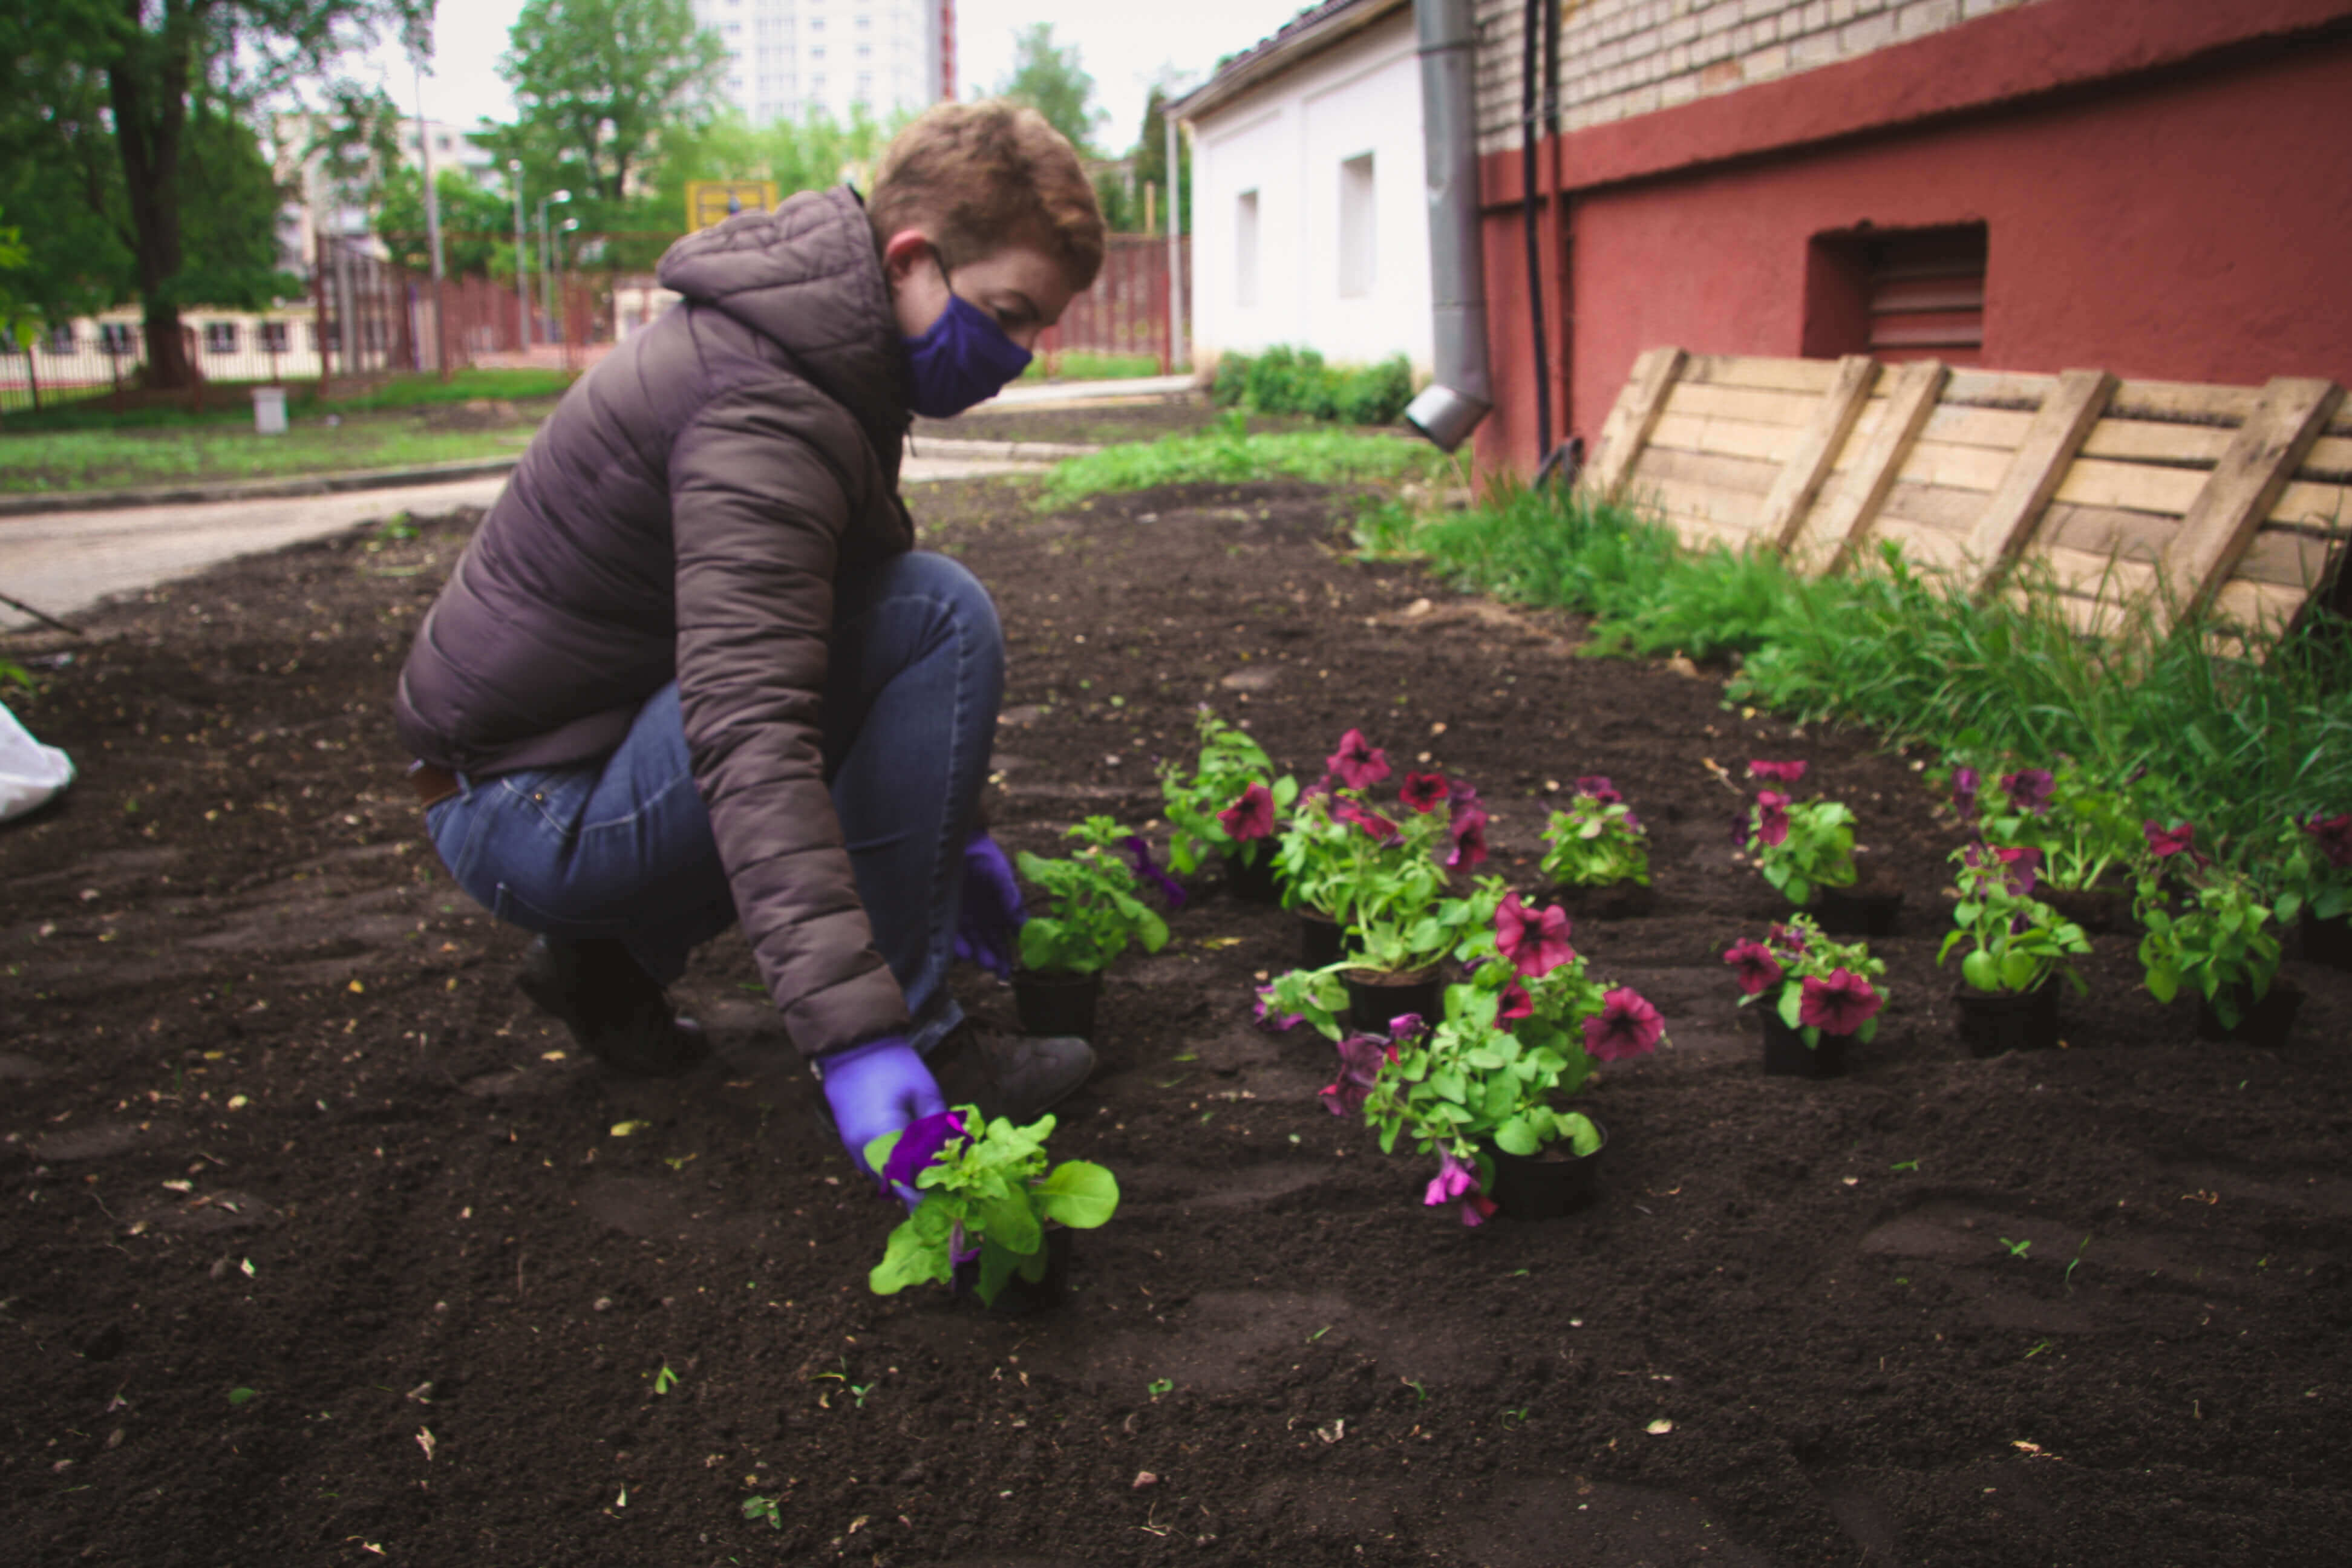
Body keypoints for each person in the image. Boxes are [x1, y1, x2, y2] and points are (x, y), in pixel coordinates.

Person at [393, 100, 1102, 1188]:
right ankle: (922, 1048)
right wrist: (857, 1042)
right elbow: (749, 725)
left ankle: (607, 968)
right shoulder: (767, 402)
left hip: (538, 771)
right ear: (910, 258)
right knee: (934, 616)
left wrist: (956, 830)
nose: (1022, 355)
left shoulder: (813, 348)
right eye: (1008, 314)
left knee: (883, 628)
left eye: (1039, 327)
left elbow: (809, 622)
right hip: (526, 808)